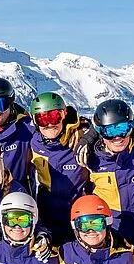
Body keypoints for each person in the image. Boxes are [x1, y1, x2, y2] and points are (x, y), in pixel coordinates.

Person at [84, 99, 134, 246]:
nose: (117, 137)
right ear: (100, 132)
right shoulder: (91, 160)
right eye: (110, 132)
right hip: (113, 238)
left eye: (123, 129)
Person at [27, 91, 90, 243]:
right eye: (42, 119)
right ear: (34, 122)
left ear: (64, 114)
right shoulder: (34, 142)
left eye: (55, 116)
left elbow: (107, 128)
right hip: (48, 218)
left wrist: (90, 135)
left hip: (80, 219)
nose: (49, 124)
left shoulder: (79, 138)